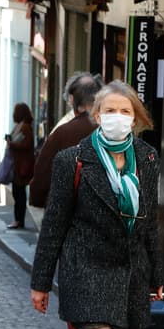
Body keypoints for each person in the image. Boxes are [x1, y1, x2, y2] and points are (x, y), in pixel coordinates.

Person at [30, 80, 164, 329]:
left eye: (125, 111)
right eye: (110, 110)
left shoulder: (147, 159)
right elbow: (54, 222)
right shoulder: (71, 159)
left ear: (136, 118)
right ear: (96, 115)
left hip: (129, 271)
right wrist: (40, 282)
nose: (117, 117)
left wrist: (157, 275)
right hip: (84, 268)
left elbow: (150, 221)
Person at [29, 72, 103, 230]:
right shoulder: (113, 131)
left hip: (66, 213)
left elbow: (43, 171)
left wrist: (37, 198)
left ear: (73, 100)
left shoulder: (63, 132)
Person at [5, 103, 36, 229]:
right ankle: (17, 220)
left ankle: (19, 220)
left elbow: (26, 145)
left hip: (22, 165)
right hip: (17, 164)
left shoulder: (26, 127)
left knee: (19, 194)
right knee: (17, 193)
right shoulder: (20, 126)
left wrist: (11, 144)